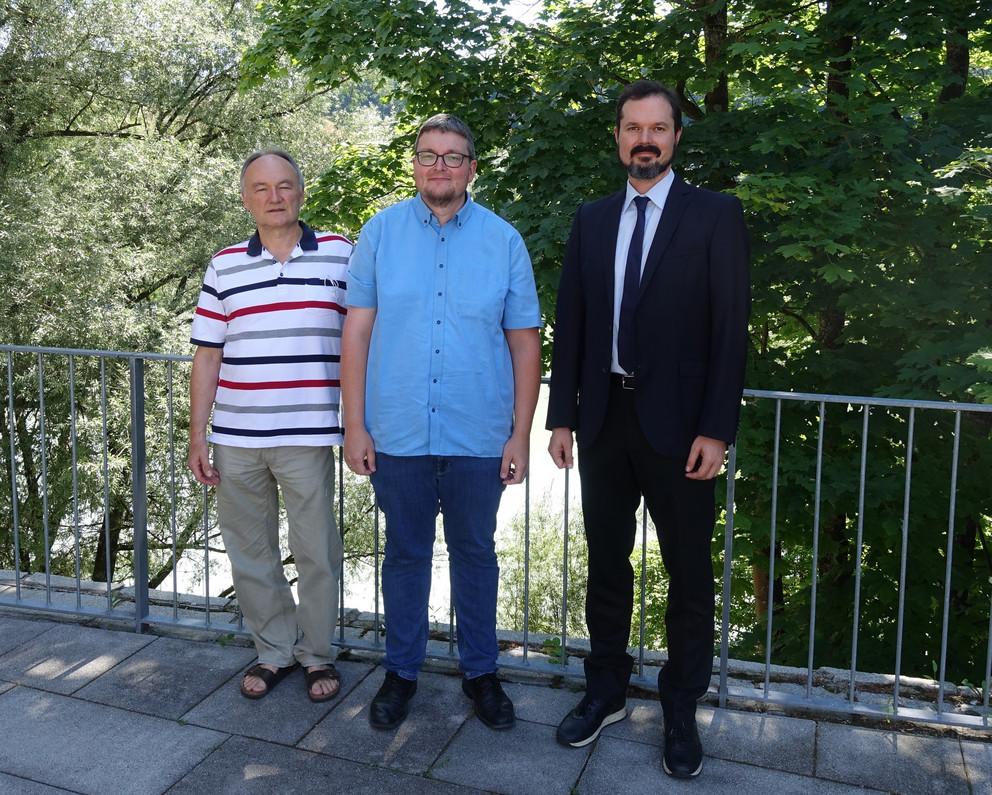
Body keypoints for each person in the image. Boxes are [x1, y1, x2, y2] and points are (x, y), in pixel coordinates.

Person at [546, 80, 750, 778]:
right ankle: (604, 688)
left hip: (683, 430)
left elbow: (731, 334)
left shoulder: (715, 215)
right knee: (607, 565)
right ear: (617, 137)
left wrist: (718, 429)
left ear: (676, 138)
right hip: (603, 420)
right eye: (633, 127)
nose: (644, 139)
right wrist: (563, 415)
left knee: (689, 576)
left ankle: (679, 706)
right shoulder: (591, 218)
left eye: (657, 128)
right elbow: (570, 322)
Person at [341, 113, 541, 732]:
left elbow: (525, 341)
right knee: (404, 556)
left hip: (479, 435)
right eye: (429, 155)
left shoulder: (504, 240)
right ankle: (401, 672)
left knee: (475, 555)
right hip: (396, 431)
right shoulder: (379, 234)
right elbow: (356, 331)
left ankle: (481, 674)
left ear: (472, 168)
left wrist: (520, 433)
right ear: (415, 163)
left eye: (453, 157)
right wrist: (355, 424)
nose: (440, 166)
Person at [188, 149, 350, 702]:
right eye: (261, 188)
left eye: (284, 186)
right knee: (250, 552)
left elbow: (362, 342)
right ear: (245, 198)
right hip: (236, 438)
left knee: (317, 553)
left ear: (302, 191)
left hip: (308, 436)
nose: (274, 197)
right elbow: (207, 356)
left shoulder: (342, 256)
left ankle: (317, 655)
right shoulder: (224, 265)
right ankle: (274, 652)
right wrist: (197, 434)